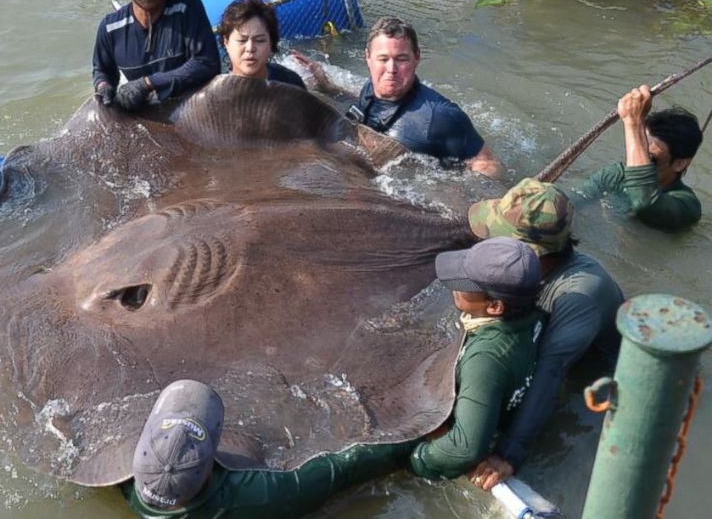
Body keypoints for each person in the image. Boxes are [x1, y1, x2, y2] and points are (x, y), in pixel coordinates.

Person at [465, 178, 624, 490]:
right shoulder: (529, 271)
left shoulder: (578, 296)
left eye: (498, 239)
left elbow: (551, 374)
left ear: (531, 252)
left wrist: (508, 454)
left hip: (592, 381)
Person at [122, 379, 412, 518]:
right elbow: (343, 469)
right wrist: (412, 439)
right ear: (209, 469)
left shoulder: (121, 483)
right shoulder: (258, 495)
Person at [293, 16, 504, 178]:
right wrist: (326, 87)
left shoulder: (439, 116)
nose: (391, 69)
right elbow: (361, 108)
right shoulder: (370, 89)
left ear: (417, 58)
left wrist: (455, 194)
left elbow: (489, 164)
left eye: (401, 59)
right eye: (383, 59)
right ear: (368, 58)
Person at [408, 237, 544, 481]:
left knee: (349, 459)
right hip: (494, 399)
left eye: (464, 284)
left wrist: (420, 458)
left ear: (494, 307)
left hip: (460, 431)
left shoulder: (485, 360)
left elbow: (465, 450)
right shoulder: (534, 313)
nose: (455, 287)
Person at [92, 0, 220, 111]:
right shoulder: (110, 28)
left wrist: (148, 83)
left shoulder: (187, 9)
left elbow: (206, 63)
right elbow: (103, 71)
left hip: (190, 106)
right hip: (143, 109)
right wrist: (103, 86)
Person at [575, 85, 703, 232]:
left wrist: (634, 123)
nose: (637, 161)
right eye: (637, 149)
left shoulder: (687, 205)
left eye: (650, 158)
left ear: (680, 164)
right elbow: (573, 203)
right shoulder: (617, 175)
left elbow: (645, 203)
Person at [215, 0, 305, 89]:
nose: (250, 48)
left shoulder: (290, 82)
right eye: (242, 40)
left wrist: (321, 84)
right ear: (226, 42)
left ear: (271, 43)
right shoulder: (215, 95)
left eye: (259, 40)